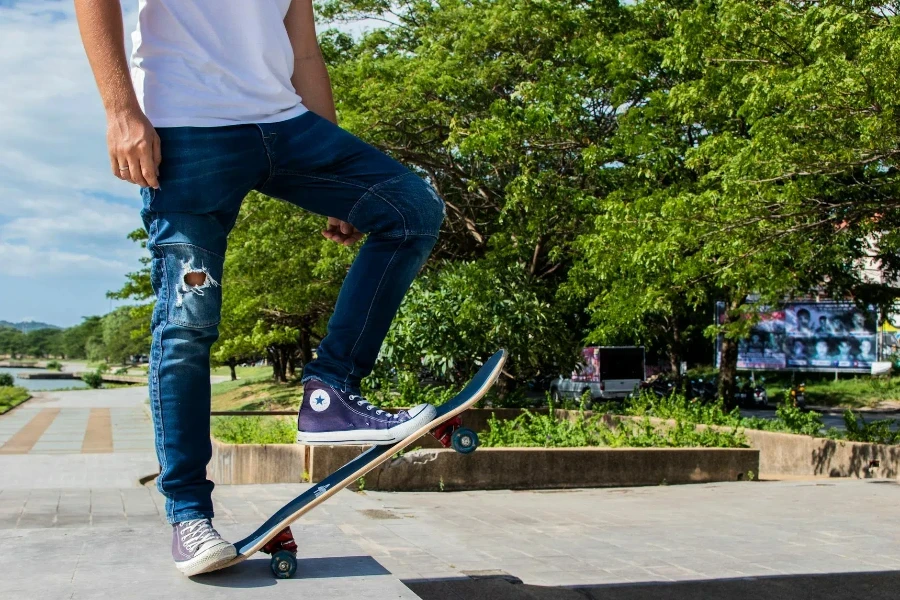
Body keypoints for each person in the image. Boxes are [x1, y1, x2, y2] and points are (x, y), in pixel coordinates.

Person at [76, 0, 443, 576]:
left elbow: (302, 49)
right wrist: (121, 111)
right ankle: (190, 515)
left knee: (410, 210)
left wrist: (336, 177)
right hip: (186, 133)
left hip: (290, 127)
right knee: (187, 325)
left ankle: (330, 395)